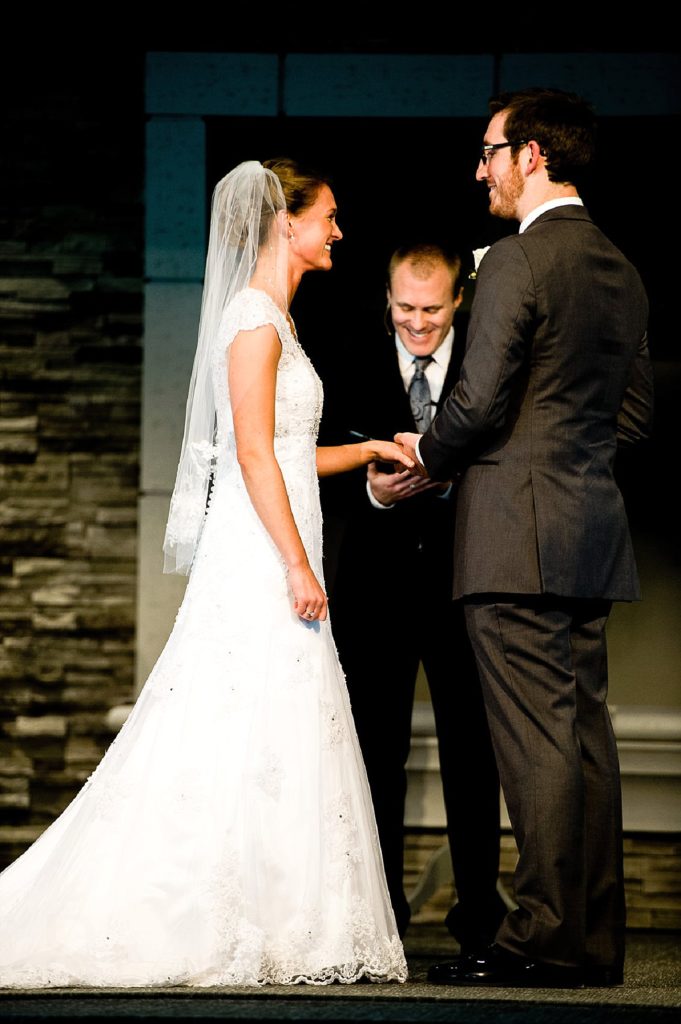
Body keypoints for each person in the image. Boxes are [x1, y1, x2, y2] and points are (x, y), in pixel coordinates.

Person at [0, 158, 410, 987]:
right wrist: (297, 563)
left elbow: (287, 452)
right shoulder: (256, 320)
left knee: (273, 723)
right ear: (283, 223)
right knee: (242, 712)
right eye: (327, 216)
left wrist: (364, 450)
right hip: (261, 557)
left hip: (274, 542)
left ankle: (278, 916)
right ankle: (214, 912)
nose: (337, 229)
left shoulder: (275, 323)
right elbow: (252, 455)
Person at [397, 88, 653, 988]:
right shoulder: (619, 266)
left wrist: (424, 458)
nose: (480, 169)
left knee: (538, 746)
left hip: (512, 537)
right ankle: (587, 942)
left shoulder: (516, 259)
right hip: (588, 532)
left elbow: (474, 402)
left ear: (532, 155)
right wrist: (561, 461)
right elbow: (632, 414)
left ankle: (540, 941)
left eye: (488, 151)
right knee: (583, 739)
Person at [319, 243, 506, 949]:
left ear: (457, 300)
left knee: (472, 752)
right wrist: (371, 490)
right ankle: (382, 915)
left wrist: (457, 482)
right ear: (387, 299)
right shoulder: (347, 354)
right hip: (375, 587)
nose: (417, 324)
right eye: (404, 308)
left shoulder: (490, 357)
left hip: (467, 583)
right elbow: (311, 456)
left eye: (431, 309)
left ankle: (480, 918)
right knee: (374, 754)